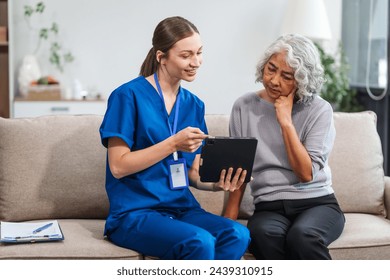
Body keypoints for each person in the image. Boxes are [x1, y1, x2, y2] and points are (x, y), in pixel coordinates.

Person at [99, 16, 250, 260]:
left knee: (237, 234)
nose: (196, 62)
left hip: (181, 207)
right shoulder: (127, 96)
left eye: (199, 53)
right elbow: (118, 166)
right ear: (161, 56)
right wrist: (173, 143)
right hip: (135, 213)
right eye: (186, 55)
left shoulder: (193, 105)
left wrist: (218, 184)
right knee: (198, 242)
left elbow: (191, 172)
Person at [224, 34, 345, 260]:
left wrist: (286, 121)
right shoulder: (244, 107)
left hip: (317, 203)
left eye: (286, 76)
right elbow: (238, 170)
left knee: (303, 237)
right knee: (264, 235)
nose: (274, 80)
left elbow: (306, 173)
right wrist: (227, 222)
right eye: (271, 69)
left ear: (302, 80)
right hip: (269, 207)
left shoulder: (320, 110)